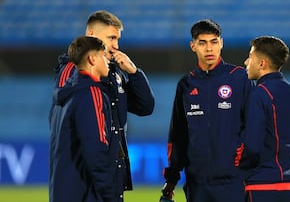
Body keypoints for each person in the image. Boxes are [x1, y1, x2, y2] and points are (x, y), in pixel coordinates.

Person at [49, 10, 155, 201]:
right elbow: (62, 113)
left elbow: (145, 107)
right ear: (91, 36)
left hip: (108, 176)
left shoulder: (113, 74)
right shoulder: (72, 70)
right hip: (81, 180)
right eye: (111, 38)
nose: (116, 46)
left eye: (118, 39)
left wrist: (134, 72)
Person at [160, 19, 254, 202]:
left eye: (214, 42)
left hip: (233, 181)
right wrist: (172, 177)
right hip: (197, 183)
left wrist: (243, 158)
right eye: (202, 43)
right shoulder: (186, 85)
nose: (209, 49)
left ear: (222, 43)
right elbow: (178, 135)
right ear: (193, 46)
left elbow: (253, 124)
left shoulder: (240, 78)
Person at [234, 36, 290, 202]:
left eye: (250, 57)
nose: (245, 62)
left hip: (262, 187)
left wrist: (236, 166)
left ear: (262, 64)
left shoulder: (259, 94)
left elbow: (252, 145)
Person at [49, 36, 116, 201]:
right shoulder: (92, 94)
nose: (108, 60)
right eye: (103, 55)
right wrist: (109, 195)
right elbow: (96, 149)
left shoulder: (66, 96)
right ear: (92, 59)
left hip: (62, 192)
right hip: (84, 194)